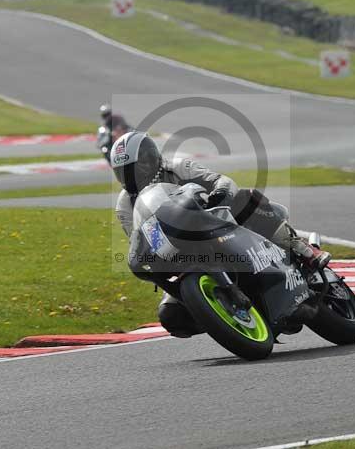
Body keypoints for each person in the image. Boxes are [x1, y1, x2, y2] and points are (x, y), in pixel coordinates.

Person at [111, 131, 331, 338]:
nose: (130, 176)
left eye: (134, 168)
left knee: (246, 199)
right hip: (180, 253)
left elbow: (221, 180)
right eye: (123, 172)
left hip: (215, 222)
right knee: (170, 316)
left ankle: (303, 250)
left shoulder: (178, 167)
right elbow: (138, 237)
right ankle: (222, 318)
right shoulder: (125, 204)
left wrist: (220, 193)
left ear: (150, 159)